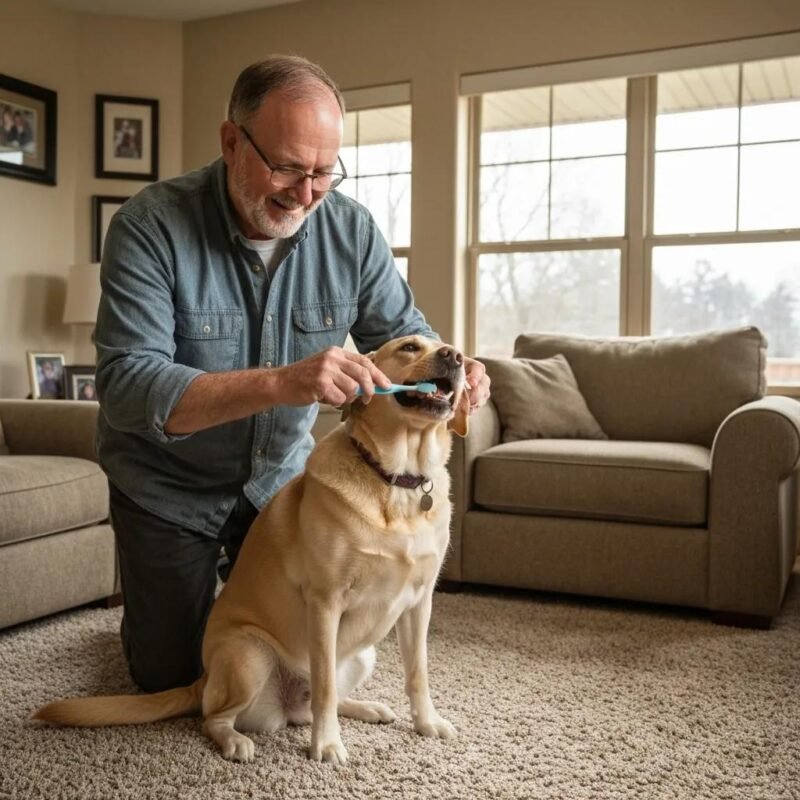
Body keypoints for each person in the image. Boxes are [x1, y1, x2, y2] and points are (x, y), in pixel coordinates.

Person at [94, 54, 490, 694]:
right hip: (170, 487)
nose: (306, 193)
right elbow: (128, 385)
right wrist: (284, 381)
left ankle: (223, 601)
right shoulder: (148, 226)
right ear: (231, 141)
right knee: (172, 676)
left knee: (303, 652)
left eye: (323, 172)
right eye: (286, 167)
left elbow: (405, 338)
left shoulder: (350, 228)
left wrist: (456, 367)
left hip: (280, 482)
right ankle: (158, 615)